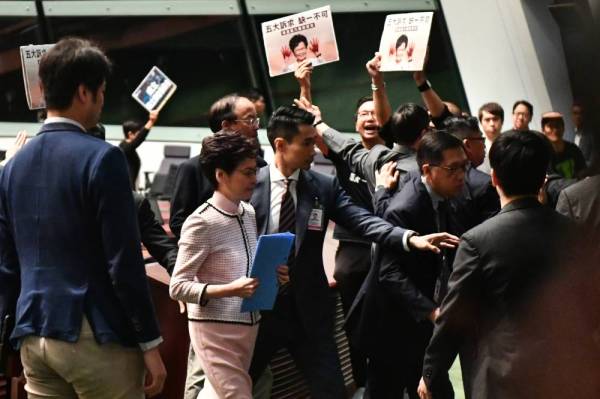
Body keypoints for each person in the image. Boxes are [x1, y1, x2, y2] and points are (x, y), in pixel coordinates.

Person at [248, 106, 459, 398]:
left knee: (332, 390)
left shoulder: (322, 186)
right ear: (281, 145)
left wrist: (409, 239)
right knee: (238, 383)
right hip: (259, 308)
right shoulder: (249, 185)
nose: (315, 150)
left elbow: (362, 220)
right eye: (307, 143)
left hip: (310, 310)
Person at [0, 37, 166, 398]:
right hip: (95, 334)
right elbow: (123, 262)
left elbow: (7, 263)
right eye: (102, 91)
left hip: (34, 332)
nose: (103, 101)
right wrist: (150, 343)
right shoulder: (103, 159)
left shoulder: (12, 167)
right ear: (83, 92)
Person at [417, 131, 575, 399]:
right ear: (543, 179)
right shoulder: (573, 232)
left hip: (504, 379)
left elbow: (454, 318)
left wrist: (431, 373)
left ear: (495, 178)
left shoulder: (478, 241)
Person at [169, 132, 286, 399]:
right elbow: (177, 287)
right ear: (221, 175)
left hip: (248, 325)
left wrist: (272, 274)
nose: (254, 179)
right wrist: (229, 289)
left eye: (254, 171)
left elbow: (244, 266)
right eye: (246, 172)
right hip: (214, 330)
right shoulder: (201, 222)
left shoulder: (248, 212)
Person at [357, 131, 468, 399]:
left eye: (464, 166)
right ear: (428, 170)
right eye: (453, 168)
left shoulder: (450, 198)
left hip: (422, 320)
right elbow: (389, 274)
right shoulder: (405, 208)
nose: (461, 175)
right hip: (391, 324)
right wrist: (431, 311)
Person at [119, 110, 159, 188]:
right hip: (127, 189)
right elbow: (140, 138)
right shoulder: (126, 148)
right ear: (130, 134)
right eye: (138, 132)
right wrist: (151, 121)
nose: (140, 134)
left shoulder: (126, 146)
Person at [541, 111, 586, 179]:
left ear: (563, 128)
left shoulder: (573, 149)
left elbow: (583, 172)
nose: (555, 130)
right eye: (550, 126)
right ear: (543, 131)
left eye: (557, 125)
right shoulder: (543, 156)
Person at [477, 102, 504, 174]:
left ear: (502, 121)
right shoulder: (476, 146)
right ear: (481, 122)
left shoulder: (511, 142)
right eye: (487, 120)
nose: (492, 124)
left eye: (495, 119)